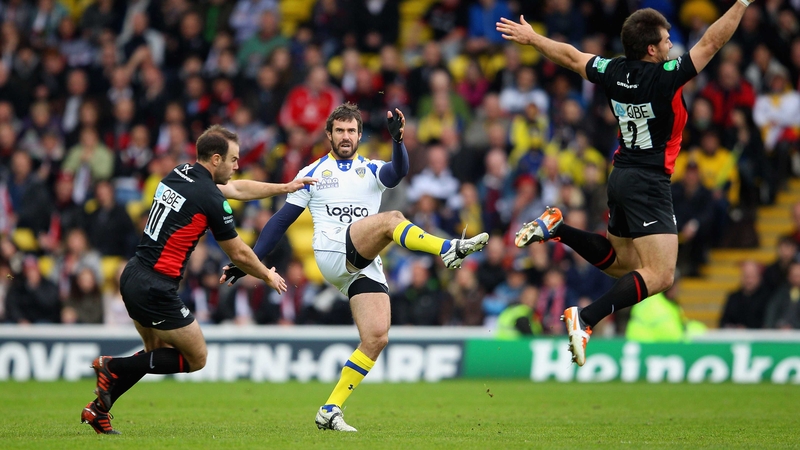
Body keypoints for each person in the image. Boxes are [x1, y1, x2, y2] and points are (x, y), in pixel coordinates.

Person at [497, 1, 755, 366]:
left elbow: (571, 57)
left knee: (621, 264)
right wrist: (742, 2)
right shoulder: (665, 76)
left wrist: (534, 39)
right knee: (661, 275)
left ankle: (557, 227)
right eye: (666, 40)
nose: (671, 45)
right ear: (651, 48)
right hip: (649, 182)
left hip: (620, 175)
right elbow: (712, 42)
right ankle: (586, 318)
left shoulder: (612, 70)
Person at [220, 102, 489, 431]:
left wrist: (398, 141)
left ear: (360, 135)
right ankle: (447, 248)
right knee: (391, 220)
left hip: (362, 260)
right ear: (328, 135)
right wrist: (249, 260)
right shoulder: (313, 172)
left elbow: (398, 172)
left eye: (351, 130)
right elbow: (280, 222)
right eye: (339, 131)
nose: (345, 136)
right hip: (331, 250)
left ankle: (330, 409)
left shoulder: (372, 169)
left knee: (376, 337)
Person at [81, 125, 315, 434]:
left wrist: (285, 187)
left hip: (134, 274)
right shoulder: (209, 197)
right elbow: (239, 253)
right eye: (233, 159)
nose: (237, 166)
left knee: (154, 354)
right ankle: (112, 366)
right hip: (155, 286)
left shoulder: (181, 173)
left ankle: (98, 409)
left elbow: (238, 190)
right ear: (216, 159)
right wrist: (267, 274)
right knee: (197, 358)